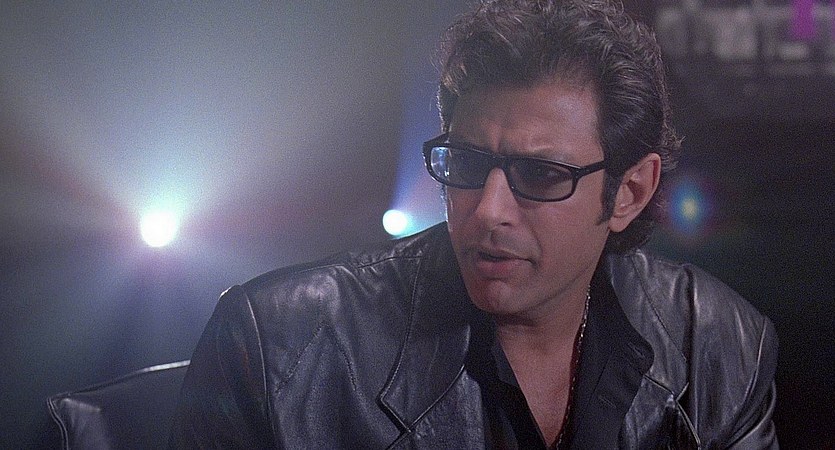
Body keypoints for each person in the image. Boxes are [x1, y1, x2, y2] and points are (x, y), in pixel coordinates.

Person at [169, 0, 778, 448]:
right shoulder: (278, 345)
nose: (487, 210)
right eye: (465, 163)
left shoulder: (716, 345)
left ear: (631, 192)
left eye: (541, 174)